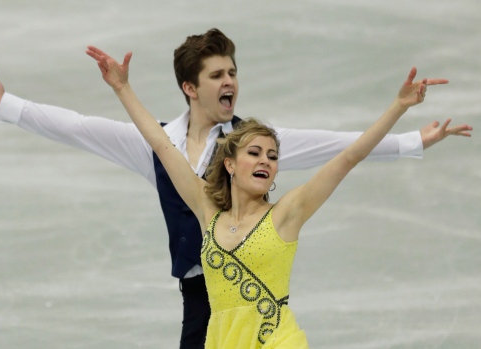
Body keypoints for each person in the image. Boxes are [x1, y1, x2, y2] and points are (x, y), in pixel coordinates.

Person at [0, 28, 472, 349]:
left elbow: (342, 151)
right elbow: (82, 128)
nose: (230, 82)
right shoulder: (165, 152)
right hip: (203, 297)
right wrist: (7, 103)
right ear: (190, 86)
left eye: (234, 72)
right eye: (218, 74)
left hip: (257, 298)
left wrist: (409, 138)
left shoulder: (254, 143)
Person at [86, 44, 461, 347]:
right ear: (230, 164)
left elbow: (349, 156)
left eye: (273, 156)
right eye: (254, 153)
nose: (266, 160)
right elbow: (161, 144)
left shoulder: (287, 213)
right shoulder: (207, 212)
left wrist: (398, 107)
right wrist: (122, 88)